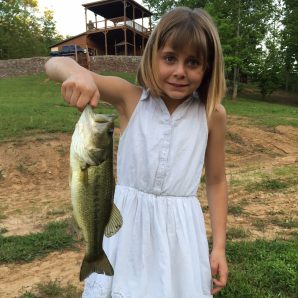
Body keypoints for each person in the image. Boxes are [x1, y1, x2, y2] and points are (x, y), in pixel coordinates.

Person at [45, 7, 228, 298]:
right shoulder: (130, 98)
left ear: (207, 67)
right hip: (127, 230)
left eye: (193, 62)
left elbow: (217, 181)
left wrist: (218, 246)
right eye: (170, 58)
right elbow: (52, 65)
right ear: (153, 55)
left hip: (180, 237)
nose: (180, 71)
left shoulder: (212, 114)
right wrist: (79, 76)